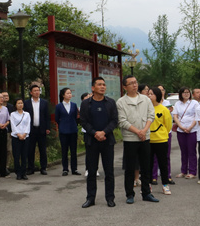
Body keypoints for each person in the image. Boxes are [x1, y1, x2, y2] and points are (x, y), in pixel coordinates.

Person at [116, 75, 158, 204]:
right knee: (130, 168)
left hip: (145, 137)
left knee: (146, 166)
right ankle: (130, 194)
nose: (135, 85)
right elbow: (122, 121)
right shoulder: (121, 102)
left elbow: (151, 115)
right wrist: (138, 132)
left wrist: (144, 130)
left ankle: (146, 193)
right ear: (125, 87)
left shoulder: (145, 99)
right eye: (131, 83)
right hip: (130, 139)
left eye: (135, 82)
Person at [80, 77, 118, 207]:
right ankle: (90, 198)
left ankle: (110, 198)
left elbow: (114, 120)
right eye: (99, 84)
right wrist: (95, 133)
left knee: (109, 171)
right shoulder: (86, 103)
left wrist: (104, 132)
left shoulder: (110, 102)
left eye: (104, 85)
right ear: (93, 88)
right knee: (91, 171)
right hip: (92, 141)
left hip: (107, 141)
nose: (102, 87)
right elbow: (83, 121)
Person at [148, 87, 173, 195]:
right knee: (148, 164)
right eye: (148, 94)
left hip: (161, 140)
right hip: (148, 140)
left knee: (163, 163)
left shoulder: (164, 109)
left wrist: (162, 134)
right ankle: (148, 185)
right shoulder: (146, 109)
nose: (149, 96)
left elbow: (168, 125)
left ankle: (165, 185)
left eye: (151, 94)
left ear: (157, 95)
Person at [24, 84, 50, 175]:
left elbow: (47, 116)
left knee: (42, 149)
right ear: (31, 92)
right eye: (35, 91)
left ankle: (43, 168)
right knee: (30, 150)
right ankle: (30, 168)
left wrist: (47, 127)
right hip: (31, 129)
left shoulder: (44, 102)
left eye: (38, 90)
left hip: (41, 129)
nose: (37, 92)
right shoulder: (26, 103)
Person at [172, 86, 197, 179]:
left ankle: (192, 171)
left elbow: (196, 116)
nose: (186, 94)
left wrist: (190, 127)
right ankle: (183, 171)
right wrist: (181, 127)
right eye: (184, 92)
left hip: (192, 129)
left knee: (191, 151)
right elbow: (175, 116)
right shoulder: (177, 104)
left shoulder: (194, 103)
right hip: (181, 130)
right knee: (183, 151)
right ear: (181, 94)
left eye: (188, 92)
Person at [55, 87, 80, 176]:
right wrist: (63, 125)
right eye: (67, 93)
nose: (69, 95)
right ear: (63, 95)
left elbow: (75, 117)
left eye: (70, 93)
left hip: (73, 130)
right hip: (63, 131)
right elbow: (57, 118)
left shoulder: (74, 105)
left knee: (73, 151)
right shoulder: (59, 106)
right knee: (64, 151)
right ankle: (65, 169)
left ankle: (74, 169)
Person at [10, 98, 31, 180]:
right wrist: (18, 134)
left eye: (21, 103)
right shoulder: (12, 114)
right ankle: (18, 172)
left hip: (25, 137)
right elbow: (13, 125)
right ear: (15, 105)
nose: (20, 105)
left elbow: (28, 125)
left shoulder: (27, 114)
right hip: (16, 137)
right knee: (16, 155)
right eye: (18, 103)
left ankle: (24, 172)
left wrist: (24, 134)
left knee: (24, 155)